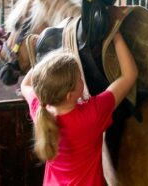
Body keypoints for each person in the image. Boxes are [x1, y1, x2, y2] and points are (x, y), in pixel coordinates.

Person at [21, 31, 138, 186]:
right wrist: (116, 35)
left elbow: (25, 85)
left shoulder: (40, 109)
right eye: (79, 79)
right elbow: (129, 75)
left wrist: (46, 61)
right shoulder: (93, 114)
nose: (82, 80)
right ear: (70, 95)